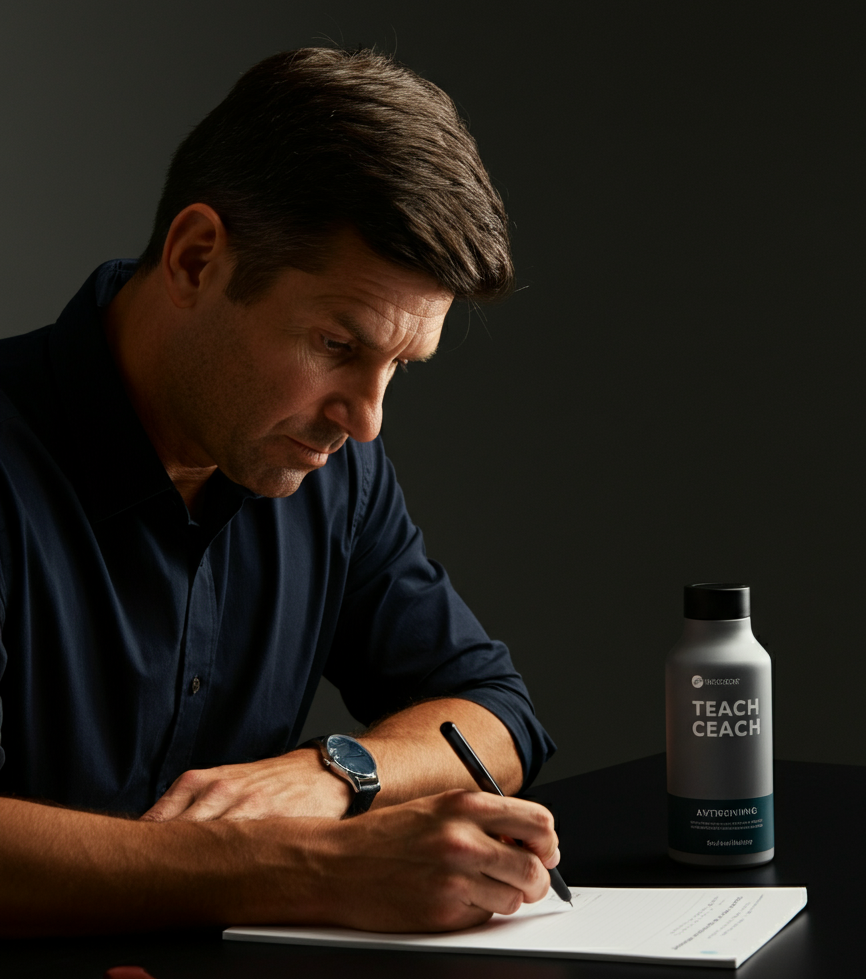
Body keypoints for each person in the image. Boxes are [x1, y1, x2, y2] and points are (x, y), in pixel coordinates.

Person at [0, 47, 559, 936]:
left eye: (398, 369)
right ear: (194, 259)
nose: (366, 420)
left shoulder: (332, 467)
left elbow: (495, 716)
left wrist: (335, 773)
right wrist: (304, 868)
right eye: (337, 346)